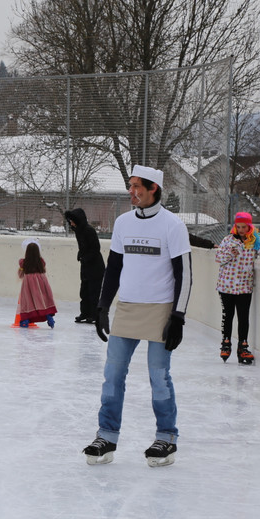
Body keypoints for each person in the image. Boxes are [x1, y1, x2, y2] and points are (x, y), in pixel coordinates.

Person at [83, 165, 192, 467]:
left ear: (153, 188)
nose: (131, 191)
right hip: (128, 308)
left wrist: (178, 316)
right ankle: (106, 436)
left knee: (159, 376)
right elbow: (114, 268)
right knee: (112, 376)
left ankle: (166, 437)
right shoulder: (123, 223)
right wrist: (103, 306)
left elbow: (184, 274)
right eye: (129, 186)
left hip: (160, 310)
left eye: (136, 186)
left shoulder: (172, 225)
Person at [215, 211, 260, 364]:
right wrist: (231, 253)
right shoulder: (228, 240)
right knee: (228, 315)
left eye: (244, 227)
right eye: (238, 227)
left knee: (243, 317)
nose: (241, 230)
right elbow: (219, 258)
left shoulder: (255, 240)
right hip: (226, 285)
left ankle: (243, 346)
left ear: (249, 226)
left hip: (244, 286)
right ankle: (226, 342)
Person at [64, 208, 105, 324]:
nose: (71, 223)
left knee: (93, 291)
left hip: (95, 267)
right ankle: (85, 313)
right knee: (84, 291)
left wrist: (85, 257)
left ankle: (94, 315)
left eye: (72, 221)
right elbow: (83, 247)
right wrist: (80, 254)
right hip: (85, 266)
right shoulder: (78, 231)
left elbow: (95, 248)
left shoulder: (89, 231)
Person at [16, 238, 57, 328]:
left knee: (28, 300)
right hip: (41, 281)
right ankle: (48, 316)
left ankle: (26, 320)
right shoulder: (41, 262)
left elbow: (20, 275)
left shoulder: (23, 262)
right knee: (43, 299)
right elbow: (43, 269)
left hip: (28, 283)